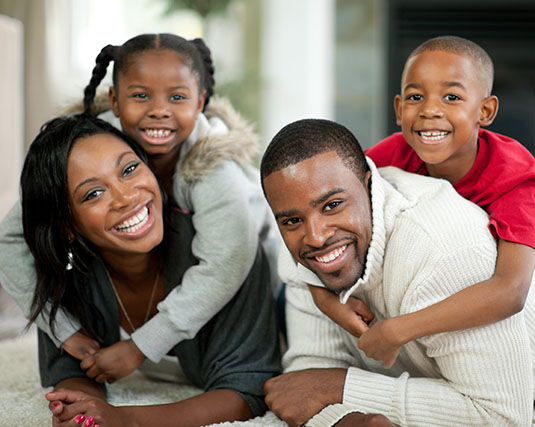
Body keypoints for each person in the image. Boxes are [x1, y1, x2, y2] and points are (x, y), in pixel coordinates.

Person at [0, 33, 282, 382]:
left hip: (259, 277)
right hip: (181, 266)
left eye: (177, 97)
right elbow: (11, 237)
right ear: (115, 101)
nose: (159, 110)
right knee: (68, 237)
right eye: (140, 96)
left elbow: (227, 265)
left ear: (200, 102)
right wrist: (62, 329)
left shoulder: (214, 169)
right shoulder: (93, 147)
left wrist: (141, 347)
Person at [260, 118, 534, 426]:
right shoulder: (303, 249)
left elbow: (505, 418)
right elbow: (305, 384)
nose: (316, 236)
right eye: (292, 221)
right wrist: (351, 422)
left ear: (368, 184)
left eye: (333, 205)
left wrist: (342, 387)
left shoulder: (443, 251)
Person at [21, 114, 280, 427]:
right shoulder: (65, 271)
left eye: (129, 169)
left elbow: (248, 388)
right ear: (67, 225)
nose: (126, 197)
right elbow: (70, 372)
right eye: (93, 193)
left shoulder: (223, 251)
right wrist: (81, 409)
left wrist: (126, 418)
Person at [309, 35, 535, 368]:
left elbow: (511, 291)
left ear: (484, 111)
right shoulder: (393, 155)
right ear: (399, 110)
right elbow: (315, 204)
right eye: (416, 96)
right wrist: (326, 300)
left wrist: (397, 331)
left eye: (452, 97)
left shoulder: (515, 179)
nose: (430, 109)